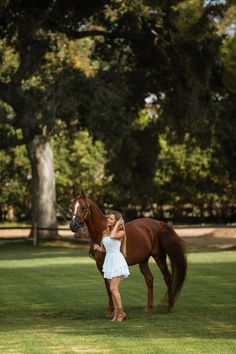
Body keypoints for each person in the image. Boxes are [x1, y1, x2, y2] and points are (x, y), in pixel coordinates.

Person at [94, 211, 130, 321]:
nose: (108, 220)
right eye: (108, 218)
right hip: (109, 261)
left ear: (117, 221)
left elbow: (113, 236)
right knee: (112, 290)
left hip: (117, 261)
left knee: (113, 288)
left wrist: (119, 224)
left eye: (111, 219)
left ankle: (121, 312)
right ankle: (116, 314)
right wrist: (98, 248)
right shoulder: (105, 232)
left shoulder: (121, 232)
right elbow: (106, 248)